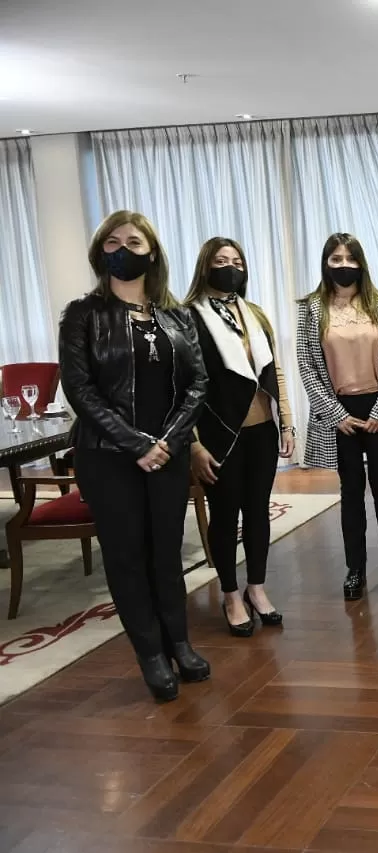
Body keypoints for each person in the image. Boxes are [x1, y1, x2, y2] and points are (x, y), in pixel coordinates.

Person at [58, 210, 210, 703]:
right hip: (108, 456)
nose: (123, 248)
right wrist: (135, 443)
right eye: (112, 241)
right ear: (100, 251)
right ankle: (149, 653)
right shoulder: (83, 314)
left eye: (134, 241)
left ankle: (179, 643)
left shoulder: (176, 315)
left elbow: (198, 384)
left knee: (165, 552)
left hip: (167, 452)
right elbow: (79, 389)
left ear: (152, 253)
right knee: (126, 556)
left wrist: (166, 440)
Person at [185, 237, 295, 636]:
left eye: (236, 261)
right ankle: (230, 594)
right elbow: (183, 387)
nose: (230, 266)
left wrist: (287, 420)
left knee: (257, 511)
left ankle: (257, 588)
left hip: (262, 430)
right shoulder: (189, 317)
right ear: (205, 266)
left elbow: (274, 372)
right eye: (220, 260)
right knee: (225, 513)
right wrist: (193, 444)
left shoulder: (254, 314)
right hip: (219, 434)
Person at [296, 233, 378, 602]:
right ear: (325, 263)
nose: (343, 264)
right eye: (335, 258)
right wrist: (334, 414)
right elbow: (306, 364)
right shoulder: (312, 307)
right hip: (339, 413)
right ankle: (355, 569)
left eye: (350, 258)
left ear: (361, 263)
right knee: (351, 493)